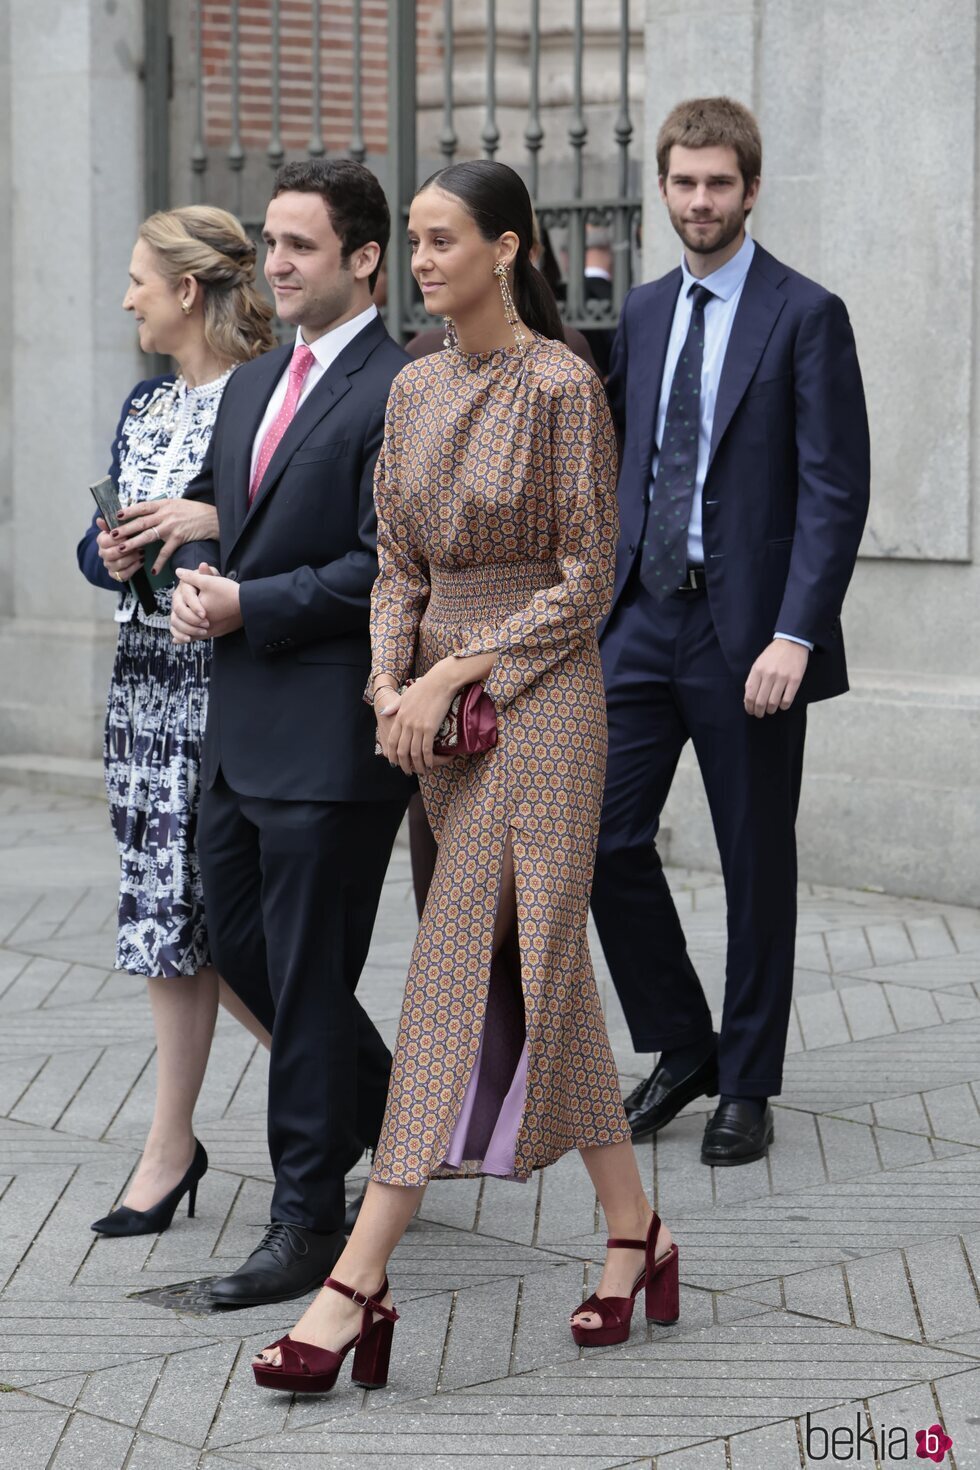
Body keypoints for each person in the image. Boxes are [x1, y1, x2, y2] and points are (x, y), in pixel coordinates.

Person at [252, 159, 679, 1396]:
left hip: (539, 701)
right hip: (435, 715)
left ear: (509, 248)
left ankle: (354, 1280)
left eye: (444, 240)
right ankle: (633, 1235)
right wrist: (393, 687)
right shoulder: (417, 387)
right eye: (417, 242)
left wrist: (457, 677)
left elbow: (587, 580)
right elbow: (393, 564)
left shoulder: (559, 384)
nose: (423, 260)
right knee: (532, 961)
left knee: (451, 963)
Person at [590, 97, 870, 1166]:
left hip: (748, 633)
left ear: (748, 190)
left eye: (717, 183)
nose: (698, 200)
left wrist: (795, 635)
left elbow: (831, 490)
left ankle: (745, 1082)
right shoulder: (648, 313)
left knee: (754, 860)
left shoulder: (805, 314)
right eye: (682, 182)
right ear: (661, 189)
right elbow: (626, 455)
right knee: (600, 842)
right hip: (641, 621)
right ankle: (680, 1044)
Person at [169, 158, 413, 1307]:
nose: (273, 265)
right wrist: (192, 574)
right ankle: (388, 1103)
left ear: (363, 258)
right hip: (237, 729)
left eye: (298, 247)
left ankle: (307, 1221)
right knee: (235, 944)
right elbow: (237, 525)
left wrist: (248, 603)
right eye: (269, 244)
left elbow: (385, 568)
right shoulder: (252, 383)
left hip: (330, 740)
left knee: (310, 981)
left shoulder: (401, 385)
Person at [76, 206, 276, 1235]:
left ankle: (347, 1088)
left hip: (226, 685)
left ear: (188, 291)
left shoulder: (262, 394)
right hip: (142, 687)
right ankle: (171, 1145)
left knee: (225, 920)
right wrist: (107, 552)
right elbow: (94, 545)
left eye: (138, 281)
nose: (125, 298)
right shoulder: (145, 406)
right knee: (166, 915)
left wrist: (209, 524)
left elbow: (293, 525)